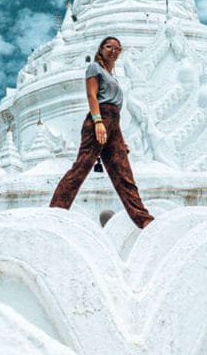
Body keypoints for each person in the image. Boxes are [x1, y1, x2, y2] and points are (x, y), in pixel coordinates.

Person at [49, 36, 155, 228]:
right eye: (108, 47)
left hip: (114, 123)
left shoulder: (112, 76)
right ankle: (56, 209)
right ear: (100, 49)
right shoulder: (94, 68)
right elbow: (92, 95)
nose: (113, 51)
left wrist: (119, 139)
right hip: (99, 118)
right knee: (82, 166)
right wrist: (98, 122)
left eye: (117, 48)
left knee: (123, 174)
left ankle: (144, 220)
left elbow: (116, 112)